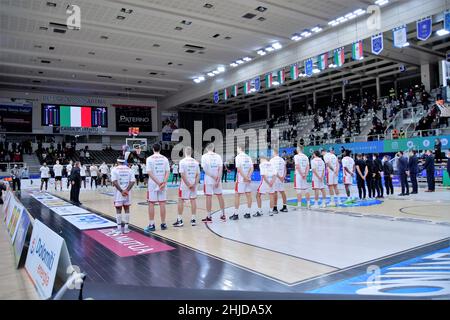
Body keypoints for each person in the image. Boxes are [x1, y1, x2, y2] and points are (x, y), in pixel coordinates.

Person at [144, 143, 170, 233]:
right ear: (160, 149)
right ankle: (163, 224)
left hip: (153, 184)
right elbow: (168, 172)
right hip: (162, 184)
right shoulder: (165, 159)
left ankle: (151, 224)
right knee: (162, 203)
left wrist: (158, 183)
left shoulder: (149, 159)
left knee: (151, 203)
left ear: (153, 149)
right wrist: (163, 183)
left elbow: (149, 172)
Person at [173, 147, 200, 227]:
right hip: (194, 185)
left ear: (185, 152)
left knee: (181, 199)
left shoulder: (182, 162)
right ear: (191, 152)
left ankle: (180, 220)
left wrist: (188, 184)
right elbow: (198, 174)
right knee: (193, 200)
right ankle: (193, 219)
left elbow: (182, 174)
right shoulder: (195, 162)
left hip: (185, 185)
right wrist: (194, 184)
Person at [201, 143, 226, 223]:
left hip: (209, 180)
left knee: (209, 197)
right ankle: (223, 215)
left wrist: (213, 177)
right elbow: (220, 169)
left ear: (206, 148)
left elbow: (205, 169)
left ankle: (209, 217)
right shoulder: (218, 156)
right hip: (217, 180)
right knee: (220, 196)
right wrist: (218, 179)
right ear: (213, 148)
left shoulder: (204, 156)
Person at [111, 158, 135, 235]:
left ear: (117, 161)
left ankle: (118, 229)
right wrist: (127, 190)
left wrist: (121, 191)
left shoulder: (114, 169)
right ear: (124, 161)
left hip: (118, 193)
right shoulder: (129, 169)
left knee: (118, 209)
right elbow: (133, 181)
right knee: (127, 208)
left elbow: (114, 182)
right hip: (127, 193)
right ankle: (126, 228)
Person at [231, 144, 254, 220]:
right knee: (248, 195)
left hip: (241, 180)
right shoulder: (248, 157)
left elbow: (239, 169)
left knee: (237, 196)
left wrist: (244, 177)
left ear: (240, 148)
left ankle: (236, 214)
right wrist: (248, 177)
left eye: (237, 148)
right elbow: (252, 168)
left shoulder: (238, 157)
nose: (236, 149)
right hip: (248, 179)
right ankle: (248, 213)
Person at [270, 148, 288, 213]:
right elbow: (285, 169)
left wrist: (279, 177)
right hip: (281, 179)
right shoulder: (282, 160)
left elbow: (274, 171)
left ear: (274, 153)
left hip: (276, 178)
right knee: (282, 192)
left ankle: (275, 208)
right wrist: (283, 177)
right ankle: (285, 207)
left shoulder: (272, 160)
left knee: (275, 192)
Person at [294, 145, 311, 209]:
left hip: (298, 175)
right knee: (306, 189)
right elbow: (308, 167)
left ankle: (299, 205)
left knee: (299, 190)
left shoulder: (296, 156)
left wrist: (301, 174)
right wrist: (305, 174)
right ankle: (308, 204)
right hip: (304, 175)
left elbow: (297, 166)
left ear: (298, 149)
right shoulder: (306, 157)